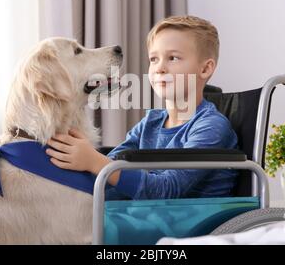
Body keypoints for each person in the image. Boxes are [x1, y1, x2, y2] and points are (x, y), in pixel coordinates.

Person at [46, 15, 238, 200]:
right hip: (146, 215)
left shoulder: (211, 127)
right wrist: (83, 158)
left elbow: (167, 190)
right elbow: (114, 162)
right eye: (154, 59)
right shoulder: (151, 122)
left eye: (173, 58)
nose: (159, 68)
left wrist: (95, 161)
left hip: (190, 220)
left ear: (205, 69)